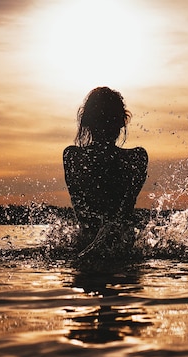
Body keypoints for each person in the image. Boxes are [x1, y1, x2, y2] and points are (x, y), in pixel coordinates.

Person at [63, 87, 148, 260]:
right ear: (122, 122)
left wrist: (91, 249)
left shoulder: (73, 157)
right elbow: (123, 213)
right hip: (123, 249)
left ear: (86, 122)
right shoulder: (136, 158)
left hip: (87, 246)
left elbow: (82, 212)